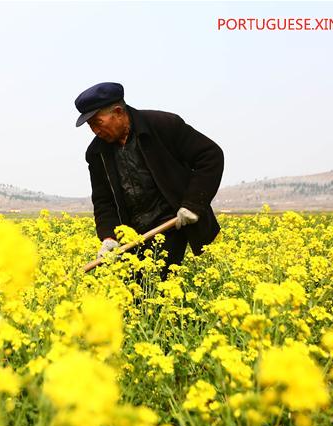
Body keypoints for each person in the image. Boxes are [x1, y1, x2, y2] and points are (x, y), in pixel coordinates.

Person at [75, 82, 224, 280]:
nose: (94, 130)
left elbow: (210, 156)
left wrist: (194, 204)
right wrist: (109, 236)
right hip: (133, 235)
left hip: (173, 224)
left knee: (159, 287)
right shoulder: (97, 152)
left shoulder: (163, 125)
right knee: (136, 297)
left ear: (118, 112)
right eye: (90, 126)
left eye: (97, 122)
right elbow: (104, 200)